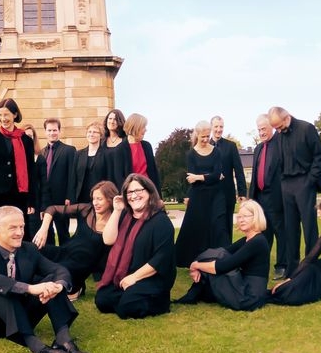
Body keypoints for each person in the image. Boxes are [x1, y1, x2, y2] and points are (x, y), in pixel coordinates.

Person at [0, 206, 91, 353]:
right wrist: (30, 288)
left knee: (53, 281)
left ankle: (63, 340)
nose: (20, 232)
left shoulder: (29, 249)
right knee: (0, 289)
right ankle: (40, 349)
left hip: (22, 315)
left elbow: (58, 269)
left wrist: (58, 286)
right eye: (13, 228)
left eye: (22, 227)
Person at [94, 174, 176, 319]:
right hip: (127, 275)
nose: (134, 196)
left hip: (152, 278)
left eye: (139, 190)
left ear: (149, 192)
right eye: (130, 192)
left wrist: (134, 278)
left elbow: (161, 259)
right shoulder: (126, 216)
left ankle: (160, 302)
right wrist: (117, 210)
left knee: (126, 308)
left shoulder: (161, 222)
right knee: (102, 299)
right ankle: (130, 297)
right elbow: (108, 240)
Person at [268, 106, 321, 276]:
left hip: (305, 181)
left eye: (279, 126)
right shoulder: (279, 135)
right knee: (290, 228)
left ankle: (310, 267)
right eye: (275, 128)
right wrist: (283, 181)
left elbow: (319, 156)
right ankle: (293, 269)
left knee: (309, 227)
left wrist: (310, 180)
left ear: (287, 118)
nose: (278, 131)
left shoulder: (307, 129)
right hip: (287, 184)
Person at [175, 200, 270, 311]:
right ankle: (195, 295)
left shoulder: (257, 241)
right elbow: (221, 252)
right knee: (217, 255)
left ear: (256, 217)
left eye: (245, 216)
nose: (241, 220)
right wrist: (198, 264)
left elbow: (224, 266)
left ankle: (192, 295)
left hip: (249, 297)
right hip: (244, 287)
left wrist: (196, 265)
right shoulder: (248, 239)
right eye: (239, 217)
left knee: (217, 262)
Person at [33, 181, 119, 299]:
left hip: (81, 264)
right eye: (94, 199)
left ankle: (76, 287)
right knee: (32, 250)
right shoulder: (87, 209)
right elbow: (52, 209)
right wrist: (44, 229)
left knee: (56, 271)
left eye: (99, 199)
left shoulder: (116, 220)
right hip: (65, 251)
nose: (95, 203)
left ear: (110, 199)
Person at [0, 98, 37, 243]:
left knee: (18, 230)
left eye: (6, 115)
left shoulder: (26, 140)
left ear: (15, 115)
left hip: (19, 194)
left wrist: (31, 200)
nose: (3, 119)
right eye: (0, 115)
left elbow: (31, 171)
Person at [175, 120, 227, 267]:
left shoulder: (216, 151)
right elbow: (192, 180)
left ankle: (219, 258)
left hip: (216, 195)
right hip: (198, 196)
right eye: (202, 136)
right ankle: (194, 258)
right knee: (197, 226)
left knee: (218, 226)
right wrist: (210, 177)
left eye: (207, 136)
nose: (205, 139)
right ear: (197, 135)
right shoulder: (191, 154)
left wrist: (199, 177)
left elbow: (216, 175)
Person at [249, 114, 286, 279]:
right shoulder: (258, 149)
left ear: (271, 126)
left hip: (277, 198)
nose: (261, 132)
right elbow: (255, 174)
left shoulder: (281, 144)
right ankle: (261, 265)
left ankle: (282, 266)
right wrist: (251, 199)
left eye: (263, 128)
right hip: (260, 200)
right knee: (264, 235)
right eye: (259, 130)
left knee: (280, 233)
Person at [210, 116, 247, 239]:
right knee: (210, 228)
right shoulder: (204, 145)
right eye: (216, 126)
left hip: (227, 194)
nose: (219, 129)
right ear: (211, 127)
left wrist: (242, 193)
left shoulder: (231, 146)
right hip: (209, 194)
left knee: (226, 228)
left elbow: (239, 170)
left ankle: (226, 256)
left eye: (221, 126)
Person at [41, 118, 76, 244]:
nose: (52, 133)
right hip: (46, 200)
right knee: (47, 232)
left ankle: (66, 260)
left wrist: (69, 196)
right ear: (45, 132)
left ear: (59, 131)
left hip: (62, 199)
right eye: (49, 130)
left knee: (63, 233)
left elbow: (72, 175)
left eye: (54, 130)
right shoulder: (41, 153)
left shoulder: (69, 150)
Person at [122, 113, 162, 197]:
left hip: (149, 191)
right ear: (135, 127)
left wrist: (159, 198)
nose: (145, 130)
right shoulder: (119, 149)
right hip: (131, 194)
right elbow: (119, 178)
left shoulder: (147, 146)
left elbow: (154, 174)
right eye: (143, 127)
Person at [73, 121, 109, 204]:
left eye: (95, 132)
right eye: (89, 132)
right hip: (81, 198)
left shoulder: (107, 154)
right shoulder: (78, 154)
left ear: (101, 135)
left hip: (100, 197)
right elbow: (73, 177)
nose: (91, 134)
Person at [22, 124, 46, 242]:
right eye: (25, 135)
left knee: (33, 235)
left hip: (34, 203)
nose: (27, 138)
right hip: (20, 201)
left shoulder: (39, 158)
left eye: (30, 136)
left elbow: (44, 184)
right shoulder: (16, 157)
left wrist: (43, 207)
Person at [102, 109, 127, 189]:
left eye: (115, 119)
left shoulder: (126, 141)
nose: (112, 121)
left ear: (120, 122)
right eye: (110, 119)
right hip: (104, 184)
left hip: (122, 184)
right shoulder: (101, 142)